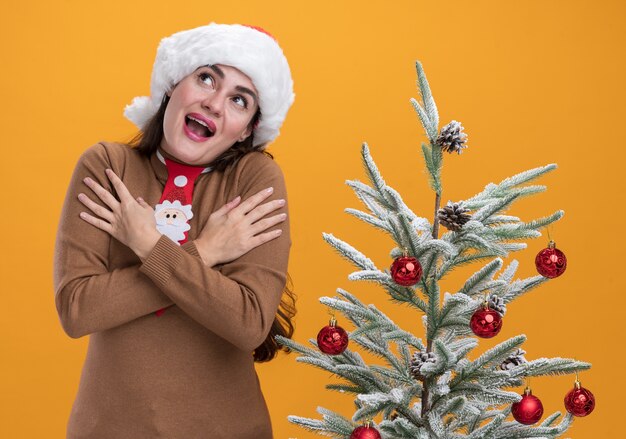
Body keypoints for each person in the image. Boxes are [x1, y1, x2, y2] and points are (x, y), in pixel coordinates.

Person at [53, 23, 296, 438]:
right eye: (206, 78)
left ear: (248, 129)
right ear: (172, 84)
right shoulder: (107, 168)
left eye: (239, 100)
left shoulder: (255, 178)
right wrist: (203, 251)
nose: (216, 104)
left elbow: (249, 322)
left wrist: (148, 244)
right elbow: (79, 310)